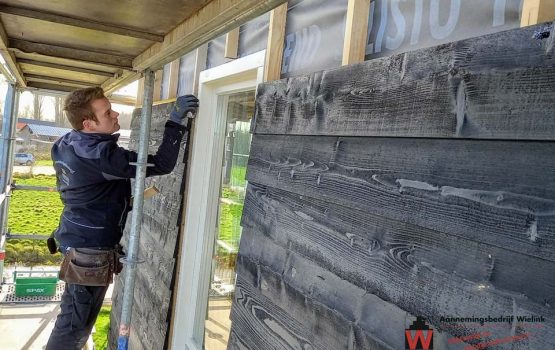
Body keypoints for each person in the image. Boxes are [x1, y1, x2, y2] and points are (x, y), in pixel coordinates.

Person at [45, 87, 198, 349]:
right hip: (89, 254)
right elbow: (161, 164)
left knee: (74, 320)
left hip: (74, 237)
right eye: (106, 112)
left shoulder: (66, 143)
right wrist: (174, 120)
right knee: (74, 327)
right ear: (88, 123)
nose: (115, 114)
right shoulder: (103, 157)